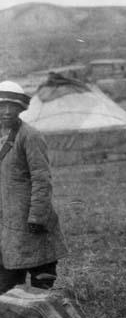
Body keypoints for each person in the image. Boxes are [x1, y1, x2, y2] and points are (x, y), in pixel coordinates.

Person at [0, 81, 68, 294]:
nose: (7, 111)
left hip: (30, 224)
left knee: (41, 286)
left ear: (21, 108)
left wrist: (37, 217)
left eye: (13, 106)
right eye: (2, 105)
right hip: (6, 224)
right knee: (7, 290)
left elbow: (42, 179)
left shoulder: (30, 136)